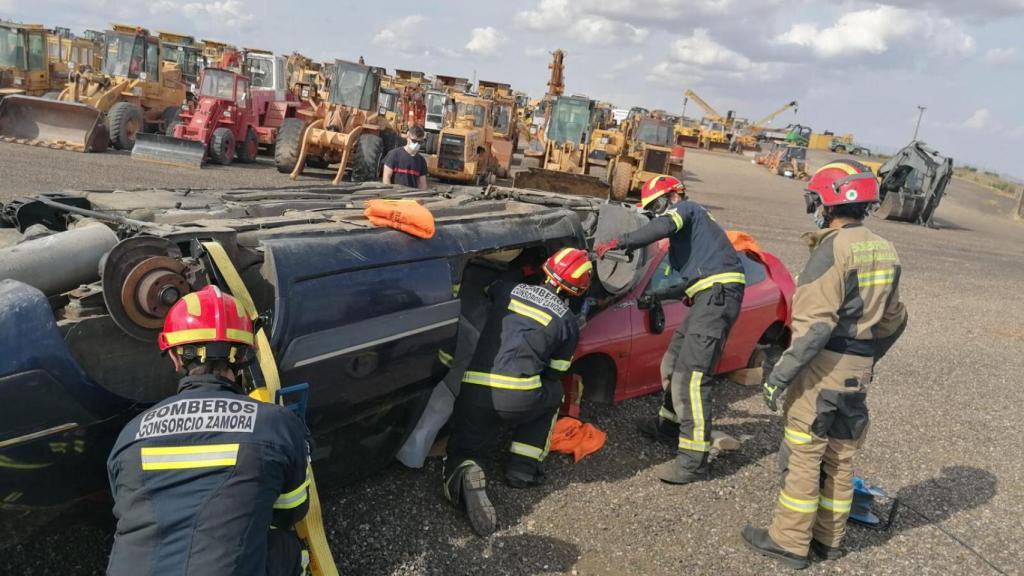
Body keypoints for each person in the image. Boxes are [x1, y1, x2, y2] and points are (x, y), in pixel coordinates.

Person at [741, 160, 908, 569]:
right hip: (858, 370)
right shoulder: (885, 249)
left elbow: (814, 329)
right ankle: (829, 541)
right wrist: (866, 357)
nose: (813, 206)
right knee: (841, 454)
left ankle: (789, 542)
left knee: (804, 450)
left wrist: (778, 377)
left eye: (815, 198)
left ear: (830, 202)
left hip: (823, 366)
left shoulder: (832, 249)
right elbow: (895, 319)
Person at [106, 285, 311, 576]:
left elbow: (127, 506)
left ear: (176, 357)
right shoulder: (276, 424)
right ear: (244, 356)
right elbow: (292, 510)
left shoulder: (131, 435)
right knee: (288, 548)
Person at [594, 175, 745, 484]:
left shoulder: (689, 209)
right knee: (673, 363)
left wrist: (622, 241)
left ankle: (693, 462)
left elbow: (662, 227)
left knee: (692, 378)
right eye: (652, 210)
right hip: (709, 296)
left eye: (658, 206)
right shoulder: (694, 243)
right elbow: (691, 283)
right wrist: (658, 295)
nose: (657, 214)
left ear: (674, 196)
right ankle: (669, 428)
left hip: (717, 297)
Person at [442, 247, 593, 537]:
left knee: (462, 449)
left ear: (544, 269)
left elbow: (489, 287)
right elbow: (556, 372)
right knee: (552, 394)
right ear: (577, 290)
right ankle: (522, 470)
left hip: (475, 391)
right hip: (518, 398)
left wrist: (520, 266)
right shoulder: (567, 322)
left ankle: (466, 469)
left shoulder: (509, 289)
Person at [382, 125, 428, 189]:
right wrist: (390, 194)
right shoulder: (394, 155)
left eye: (419, 142)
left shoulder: (421, 161)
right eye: (414, 141)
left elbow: (422, 184)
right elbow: (386, 178)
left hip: (411, 197)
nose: (416, 144)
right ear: (408, 137)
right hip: (395, 196)